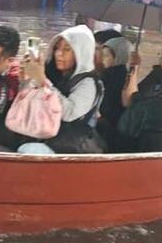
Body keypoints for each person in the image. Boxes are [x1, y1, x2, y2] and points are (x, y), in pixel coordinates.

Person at [16, 26, 105, 155]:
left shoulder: (89, 83)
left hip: (69, 146)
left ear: (81, 52)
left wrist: (42, 81)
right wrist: (27, 79)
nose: (59, 53)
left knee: (29, 150)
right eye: (57, 48)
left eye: (67, 49)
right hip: (42, 136)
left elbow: (69, 113)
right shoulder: (54, 74)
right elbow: (27, 102)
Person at [96, 36, 132, 149]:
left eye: (107, 56)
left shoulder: (110, 76)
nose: (103, 60)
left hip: (108, 123)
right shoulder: (126, 75)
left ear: (119, 57)